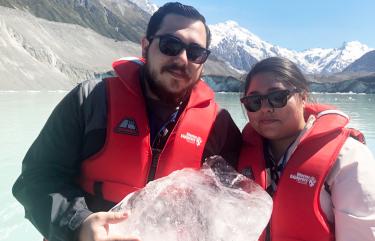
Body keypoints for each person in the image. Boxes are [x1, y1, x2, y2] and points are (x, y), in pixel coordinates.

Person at [12, 2, 242, 241]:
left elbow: (234, 202)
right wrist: (78, 224)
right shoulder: (91, 100)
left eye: (195, 53)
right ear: (145, 46)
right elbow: (37, 176)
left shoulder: (219, 126)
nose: (183, 59)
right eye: (170, 45)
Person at [237, 57, 375, 241]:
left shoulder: (348, 158)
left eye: (277, 97)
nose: (265, 108)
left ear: (303, 97)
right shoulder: (239, 150)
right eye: (254, 101)